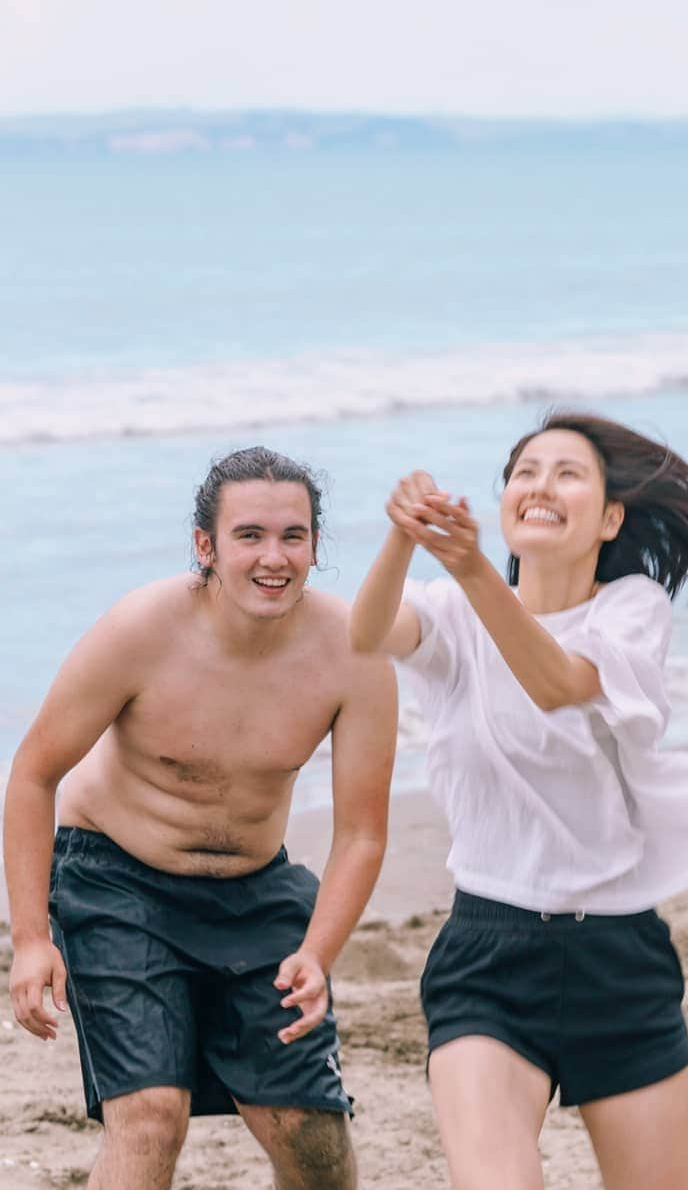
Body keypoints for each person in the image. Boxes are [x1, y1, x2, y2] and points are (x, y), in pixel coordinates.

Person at [349, 411, 688, 1190]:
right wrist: (403, 537)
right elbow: (366, 633)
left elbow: (557, 683)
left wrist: (475, 570)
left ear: (610, 517)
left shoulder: (632, 610)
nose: (541, 484)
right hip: (487, 954)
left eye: (568, 472)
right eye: (527, 470)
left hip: (618, 957)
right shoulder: (449, 611)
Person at [4, 447, 397, 1190]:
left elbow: (362, 833)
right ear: (206, 545)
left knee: (310, 1134)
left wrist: (319, 949)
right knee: (151, 1115)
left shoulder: (354, 652)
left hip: (255, 889)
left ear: (316, 545)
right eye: (249, 535)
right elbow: (32, 773)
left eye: (294, 536)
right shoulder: (141, 629)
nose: (273, 557)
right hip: (116, 881)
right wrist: (30, 937)